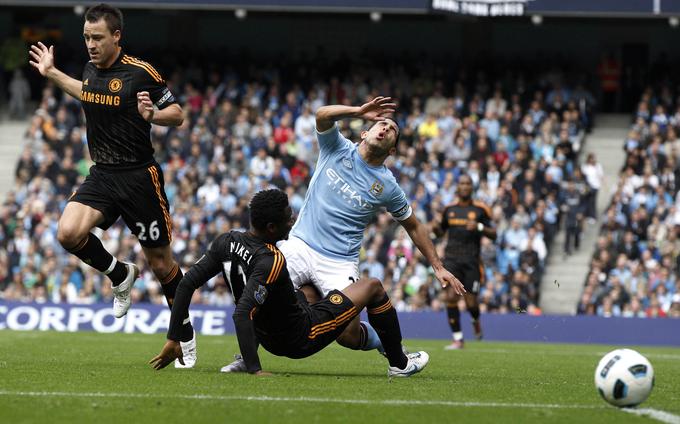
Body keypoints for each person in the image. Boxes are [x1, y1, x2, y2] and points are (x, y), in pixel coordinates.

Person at [28, 4, 196, 367]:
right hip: (103, 174)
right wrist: (53, 73)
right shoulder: (90, 69)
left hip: (139, 178)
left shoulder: (140, 72)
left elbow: (178, 115)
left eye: (98, 37)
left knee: (162, 264)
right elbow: (86, 91)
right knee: (68, 233)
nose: (91, 44)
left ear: (116, 36)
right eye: (87, 37)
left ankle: (183, 336)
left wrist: (153, 115)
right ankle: (119, 274)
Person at [149, 189, 429, 377]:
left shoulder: (226, 240)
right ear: (271, 228)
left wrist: (175, 337)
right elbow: (242, 313)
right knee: (373, 286)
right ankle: (400, 363)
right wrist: (256, 370)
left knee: (305, 290)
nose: (292, 219)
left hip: (272, 331)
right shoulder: (271, 259)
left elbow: (184, 285)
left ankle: (382, 344)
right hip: (301, 336)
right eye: (287, 217)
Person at [433, 174, 496, 350]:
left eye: (468, 183)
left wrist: (480, 227)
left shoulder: (481, 209)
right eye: (462, 183)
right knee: (450, 297)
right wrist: (436, 227)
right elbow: (439, 232)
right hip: (452, 260)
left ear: (472, 187)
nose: (465, 186)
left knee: (471, 303)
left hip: (471, 261)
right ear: (457, 187)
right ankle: (458, 339)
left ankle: (475, 319)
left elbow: (495, 234)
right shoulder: (449, 209)